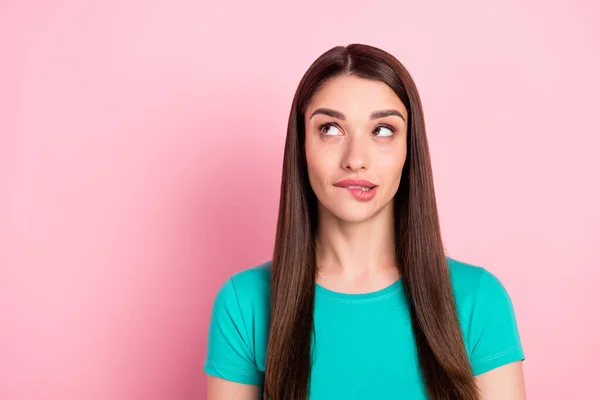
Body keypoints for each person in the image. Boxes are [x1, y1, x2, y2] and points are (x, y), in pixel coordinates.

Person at [204, 43, 526, 399]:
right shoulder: (244, 303)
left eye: (383, 130)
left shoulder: (477, 299)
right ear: (301, 145)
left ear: (409, 149)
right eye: (330, 128)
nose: (356, 159)